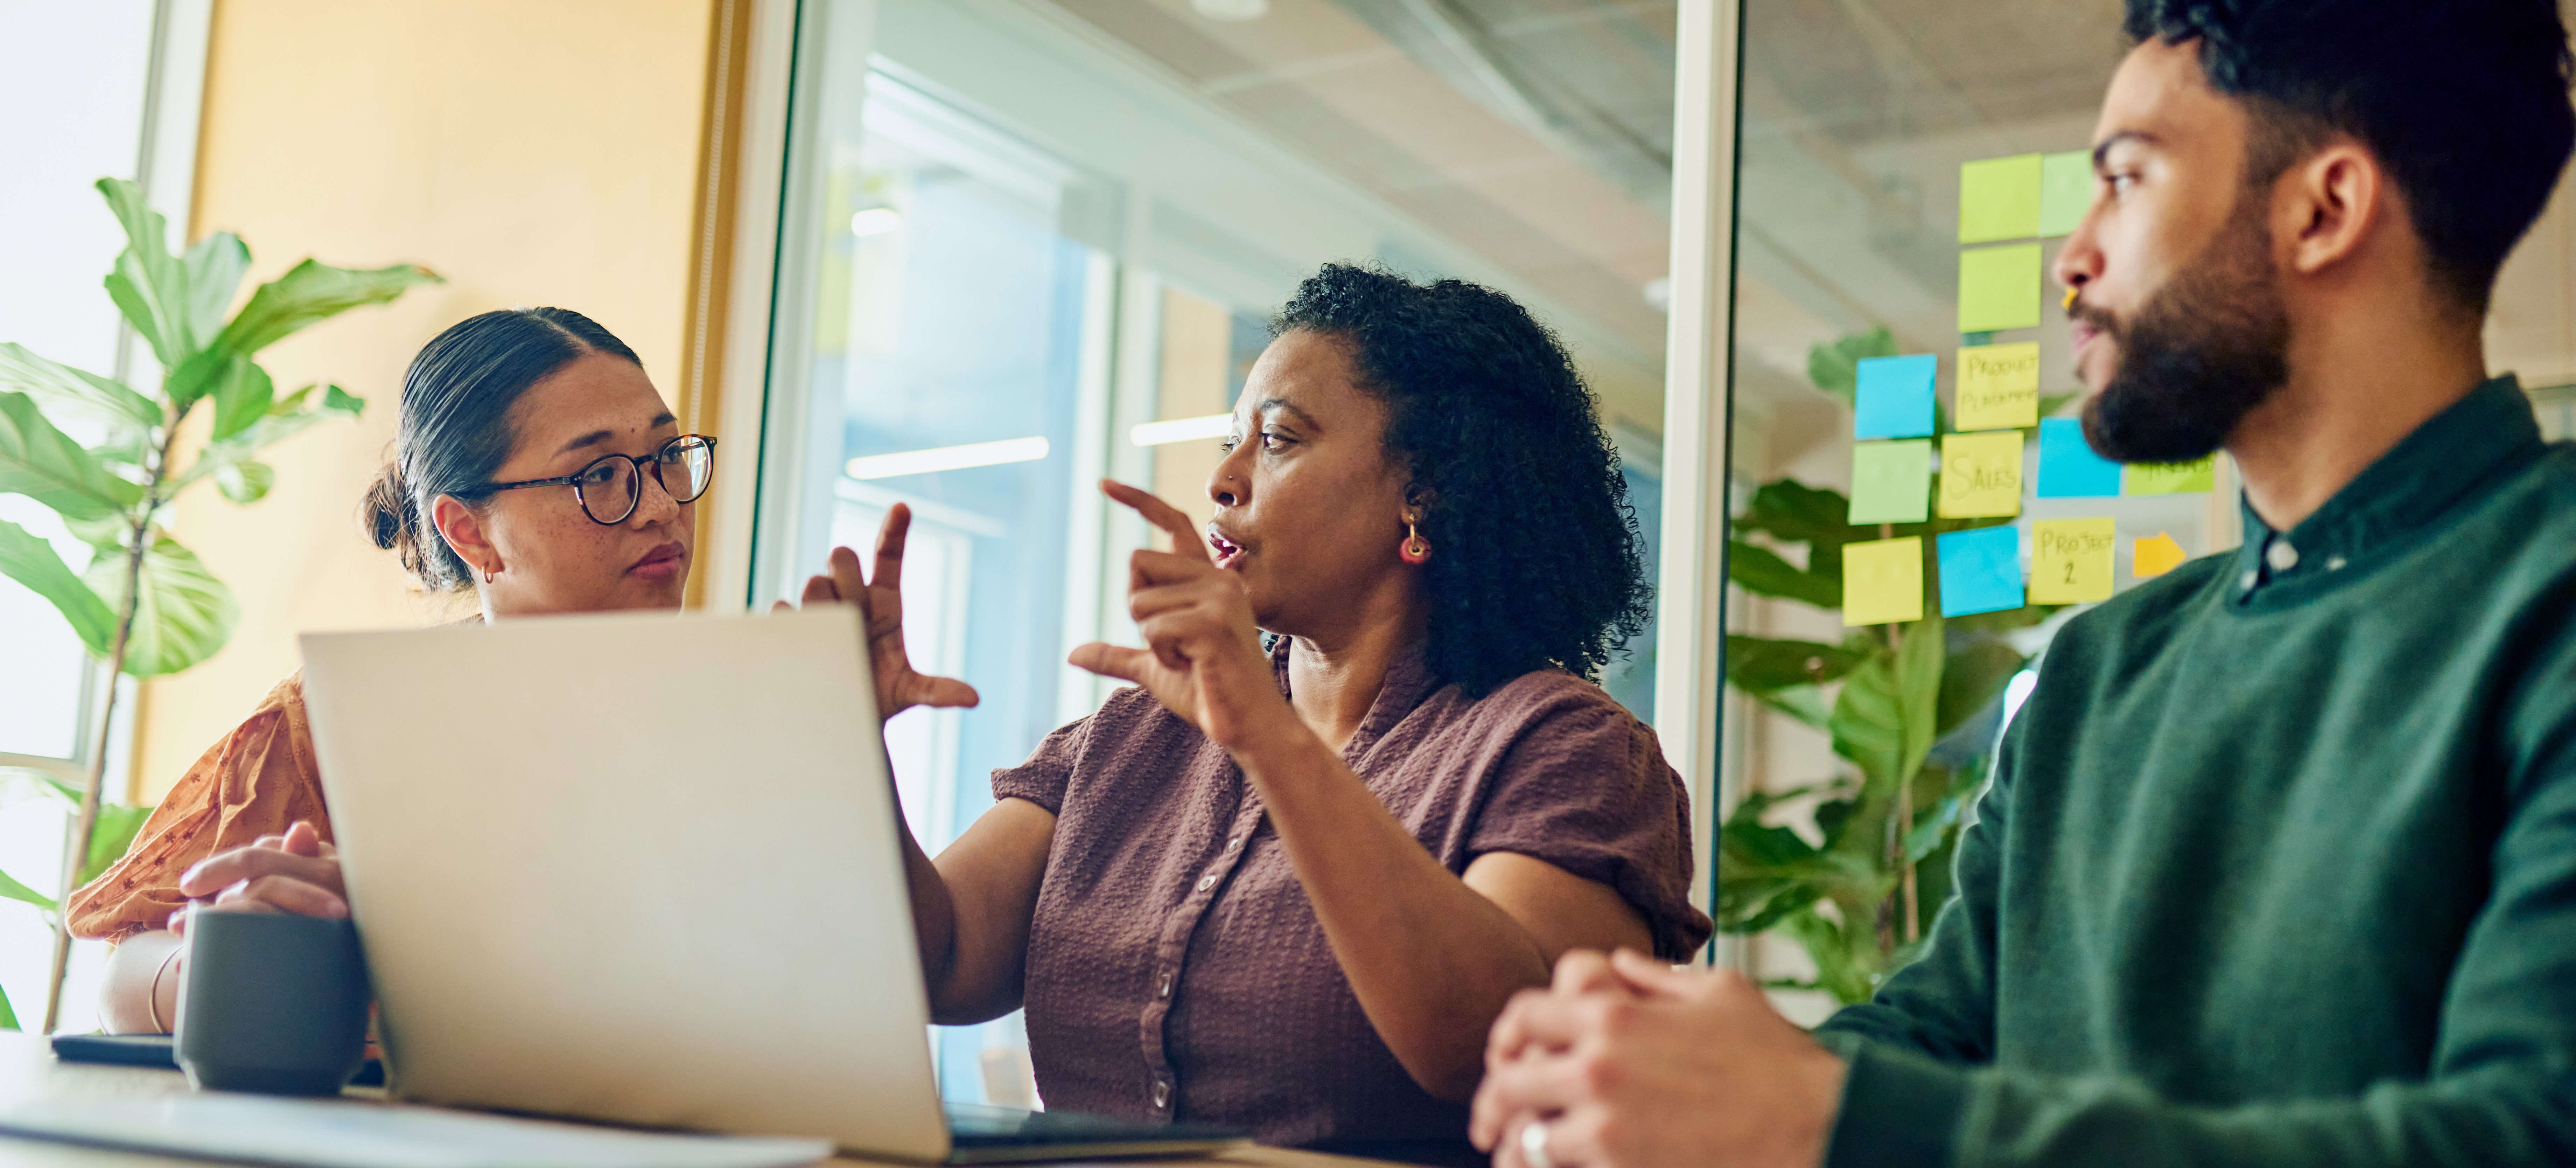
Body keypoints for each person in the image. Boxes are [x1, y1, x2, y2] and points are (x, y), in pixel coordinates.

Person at [1469, 1, 2576, 1166]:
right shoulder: (2102, 665)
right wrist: (1672, 1082)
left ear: (2325, 209)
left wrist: (1826, 1118)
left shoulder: (2542, 593)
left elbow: (2529, 1135)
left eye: (2127, 179)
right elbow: (1939, 1034)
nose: (2075, 255)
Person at [799, 263, 1708, 1164]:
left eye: (1277, 440)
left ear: (1423, 491)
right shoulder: (1130, 737)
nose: (1224, 481)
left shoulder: (1565, 750)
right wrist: (846, 751)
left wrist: (1267, 741)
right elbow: (943, 957)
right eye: (1230, 442)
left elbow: (1491, 1048)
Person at [68, 307, 761, 1031]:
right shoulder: (339, 719)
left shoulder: (754, 710)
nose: (659, 506)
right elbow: (126, 972)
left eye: (667, 456)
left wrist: (863, 736)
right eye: (598, 474)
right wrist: (280, 953)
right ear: (470, 533)